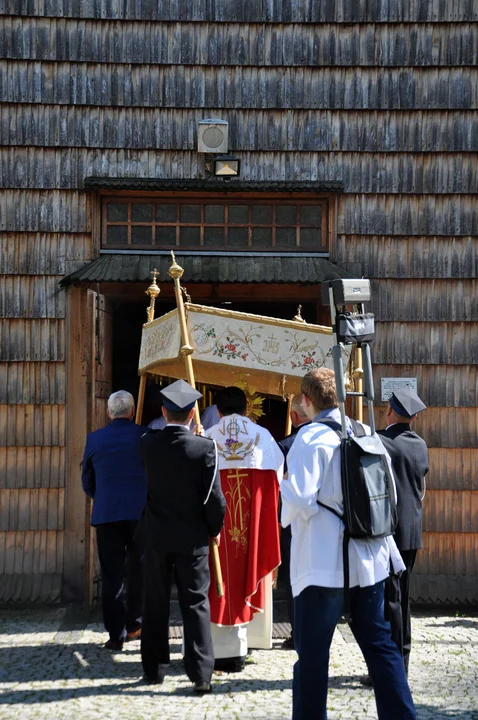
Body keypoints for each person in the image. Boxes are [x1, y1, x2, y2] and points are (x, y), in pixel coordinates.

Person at [281, 368, 416, 720]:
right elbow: (390, 497)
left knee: (312, 657)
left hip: (323, 565)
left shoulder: (309, 439)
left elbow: (299, 498)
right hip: (368, 561)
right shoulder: (367, 432)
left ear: (306, 401)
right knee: (381, 647)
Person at [139, 379, 226, 693]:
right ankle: (201, 673)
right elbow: (213, 499)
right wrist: (214, 529)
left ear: (163, 411)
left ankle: (154, 668)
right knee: (195, 604)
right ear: (193, 414)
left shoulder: (147, 443)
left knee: (156, 602)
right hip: (192, 537)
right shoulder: (204, 448)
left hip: (157, 535)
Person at [206, 387, 283, 672]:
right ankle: (243, 645)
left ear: (218, 410)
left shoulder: (207, 437)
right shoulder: (263, 438)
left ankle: (215, 649)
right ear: (247, 409)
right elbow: (277, 479)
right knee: (244, 571)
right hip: (251, 527)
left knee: (217, 578)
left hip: (215, 530)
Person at [81, 390, 147, 651]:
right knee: (139, 572)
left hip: (107, 513)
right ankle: (135, 624)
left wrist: (103, 497)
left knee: (112, 575)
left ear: (109, 412)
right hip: (140, 514)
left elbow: (87, 480)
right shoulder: (145, 436)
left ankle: (115, 634)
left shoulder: (95, 439)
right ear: (132, 412)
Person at [379, 388, 429, 674]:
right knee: (403, 598)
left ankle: (393, 666)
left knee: (390, 600)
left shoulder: (382, 441)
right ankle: (402, 660)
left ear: (389, 411)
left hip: (388, 529)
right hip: (412, 530)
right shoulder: (420, 445)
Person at [278, 394, 311, 650]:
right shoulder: (329, 440)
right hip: (321, 521)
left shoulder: (286, 445)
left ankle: (298, 630)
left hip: (291, 521)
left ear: (294, 417)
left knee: (292, 576)